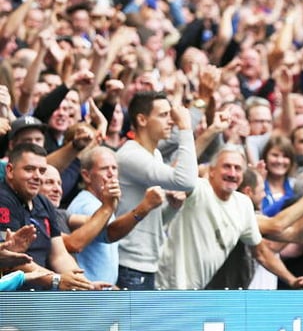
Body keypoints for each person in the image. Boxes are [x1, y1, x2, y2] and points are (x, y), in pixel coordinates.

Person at [156, 145, 297, 290]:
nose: (232, 173)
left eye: (237, 168)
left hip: (196, 291)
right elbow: (179, 180)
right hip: (164, 285)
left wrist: (292, 280)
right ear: (211, 171)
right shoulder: (198, 189)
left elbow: (261, 252)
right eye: (226, 166)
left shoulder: (243, 204)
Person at [115, 90, 198, 289]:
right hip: (128, 264)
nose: (171, 121)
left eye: (171, 115)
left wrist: (172, 207)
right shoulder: (130, 155)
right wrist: (186, 128)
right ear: (142, 119)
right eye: (163, 115)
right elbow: (186, 181)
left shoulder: (156, 155)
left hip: (147, 263)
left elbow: (155, 220)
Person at [0, 143, 102, 290]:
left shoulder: (43, 202)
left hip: (42, 296)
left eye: (42, 171)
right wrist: (56, 279)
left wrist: (84, 284)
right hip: (13, 299)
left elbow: (59, 255)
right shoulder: (3, 199)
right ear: (10, 170)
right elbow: (11, 260)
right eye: (29, 169)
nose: (37, 176)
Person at [66, 146, 165, 284]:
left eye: (114, 168)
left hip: (103, 291)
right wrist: (144, 207)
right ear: (86, 175)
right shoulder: (86, 204)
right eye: (104, 168)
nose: (111, 173)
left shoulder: (103, 203)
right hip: (89, 295)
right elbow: (110, 233)